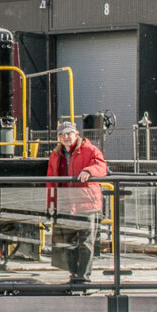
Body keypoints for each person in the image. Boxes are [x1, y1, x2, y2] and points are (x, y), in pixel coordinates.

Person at [46, 121, 107, 284]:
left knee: (85, 242)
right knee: (67, 242)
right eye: (62, 135)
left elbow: (101, 166)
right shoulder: (56, 155)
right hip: (67, 204)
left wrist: (89, 171)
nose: (66, 137)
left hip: (86, 204)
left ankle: (83, 277)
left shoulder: (89, 150)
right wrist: (51, 205)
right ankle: (74, 275)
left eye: (68, 134)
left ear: (76, 134)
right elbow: (51, 181)